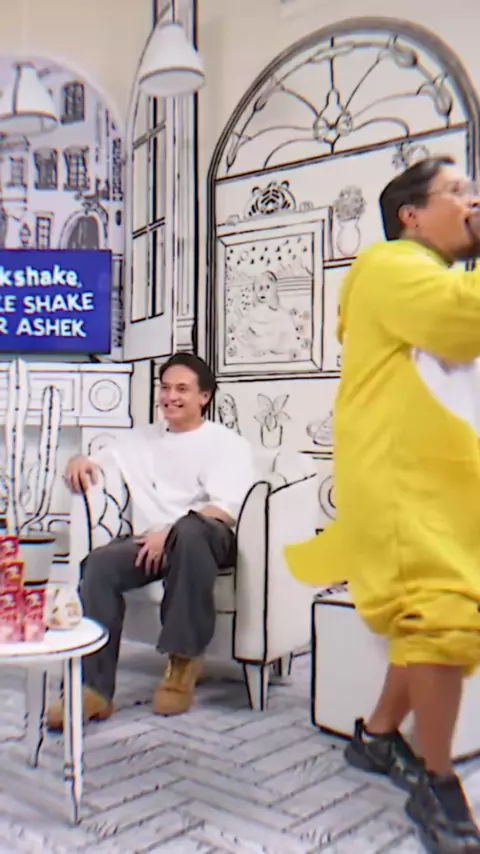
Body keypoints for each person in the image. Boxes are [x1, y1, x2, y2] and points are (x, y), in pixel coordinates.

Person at [285, 155, 480, 854]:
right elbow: (462, 322)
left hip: (437, 484)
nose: (473, 200)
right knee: (441, 615)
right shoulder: (390, 263)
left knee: (424, 621)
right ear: (411, 215)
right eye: (458, 191)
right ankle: (438, 785)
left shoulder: (433, 275)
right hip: (403, 485)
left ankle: (375, 737)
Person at [47, 352, 256, 729]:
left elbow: (224, 510)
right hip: (154, 540)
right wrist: (78, 458)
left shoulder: (227, 444)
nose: (170, 397)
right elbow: (96, 461)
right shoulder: (140, 440)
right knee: (100, 565)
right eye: (165, 388)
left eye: (182, 389)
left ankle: (183, 662)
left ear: (204, 396)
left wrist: (171, 531)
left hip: (209, 537)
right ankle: (93, 689)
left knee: (189, 532)